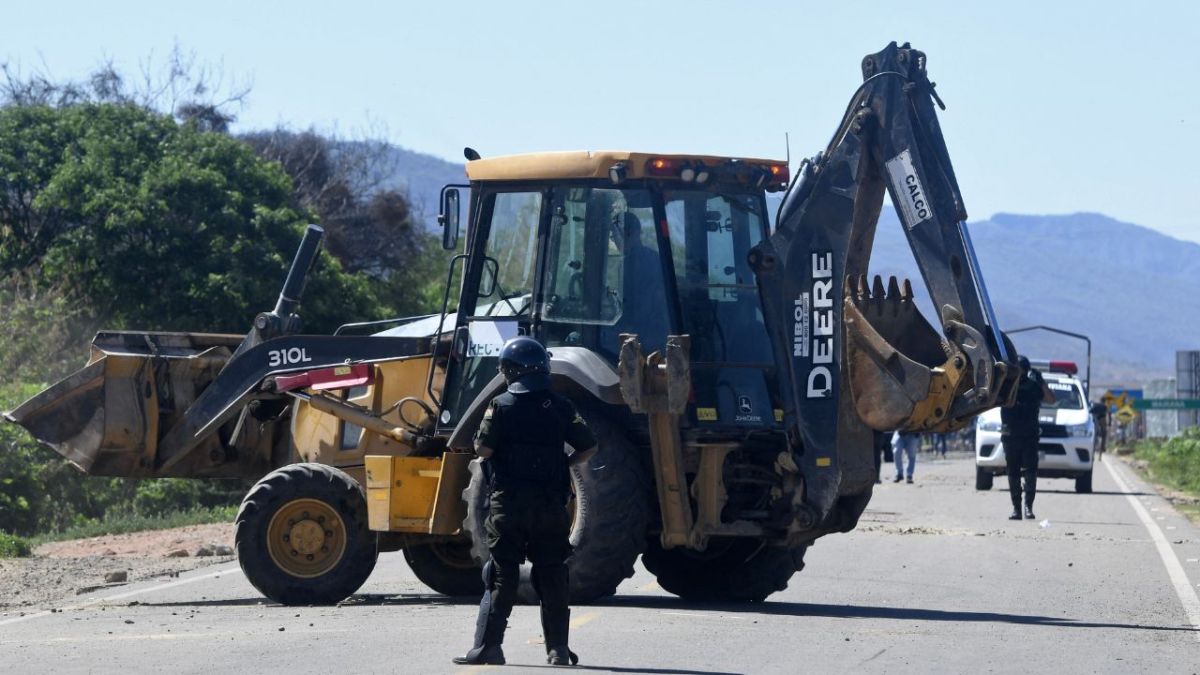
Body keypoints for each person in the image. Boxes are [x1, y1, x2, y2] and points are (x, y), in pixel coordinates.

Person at [454, 336, 597, 667]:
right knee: (553, 574)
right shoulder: (562, 406)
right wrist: (564, 463)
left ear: (509, 371)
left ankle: (489, 647)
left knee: (501, 573)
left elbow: (483, 450)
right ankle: (558, 650)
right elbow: (589, 447)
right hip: (551, 506)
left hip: (510, 505)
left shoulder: (501, 405)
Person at [1001, 355, 1055, 520]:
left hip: (1029, 435)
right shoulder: (1007, 385)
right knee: (1013, 472)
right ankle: (1016, 508)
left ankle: (1028, 507)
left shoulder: (1033, 386)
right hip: (1011, 435)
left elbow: (1051, 399)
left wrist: (1040, 381)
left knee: (1030, 472)